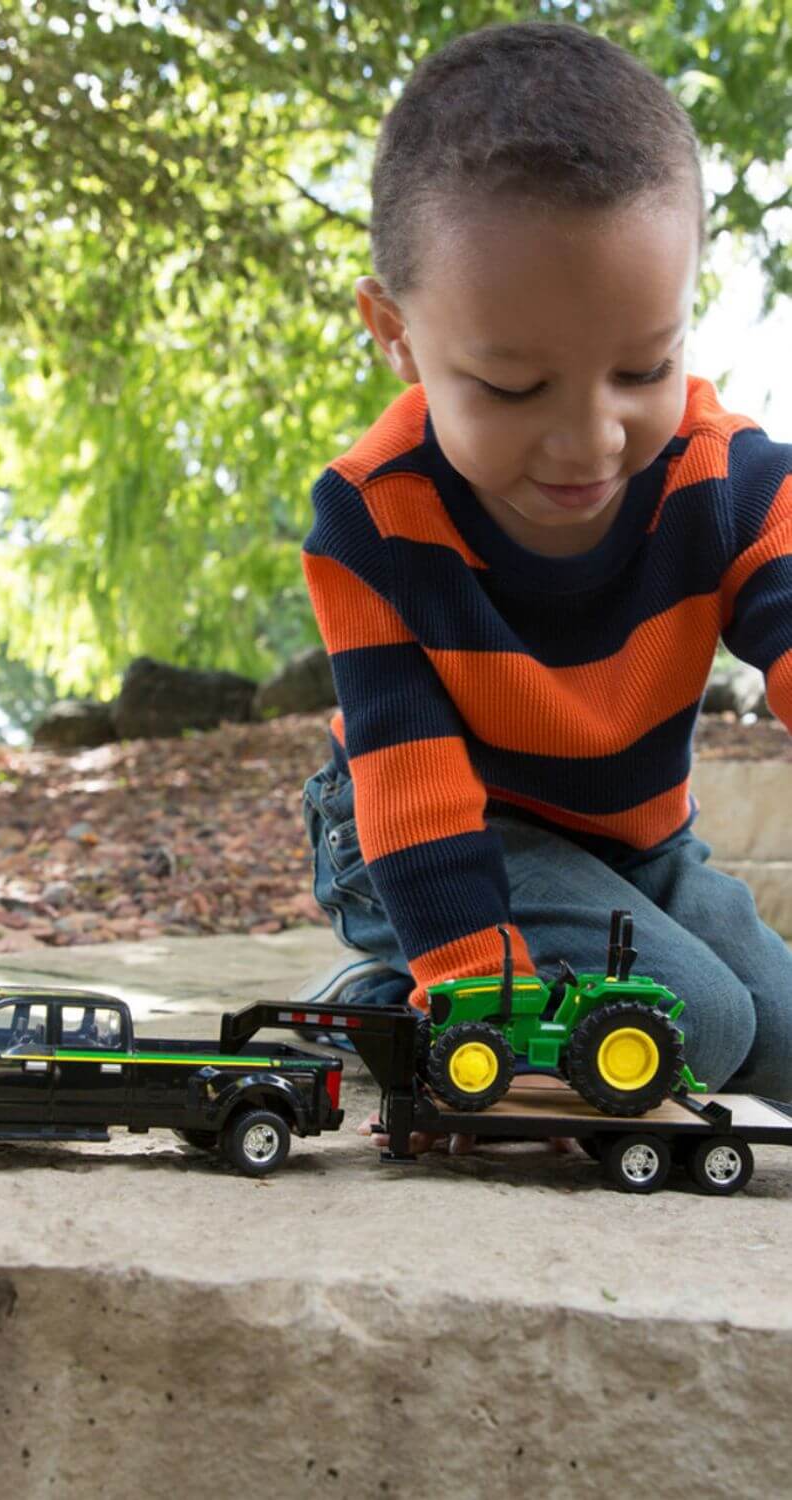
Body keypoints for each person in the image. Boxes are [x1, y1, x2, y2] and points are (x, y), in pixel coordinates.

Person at [297, 19, 792, 1130]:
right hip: (415, 834)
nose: (589, 441)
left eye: (643, 368)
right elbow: (415, 790)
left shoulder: (732, 483)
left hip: (630, 840)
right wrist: (479, 1009)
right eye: (514, 389)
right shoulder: (375, 523)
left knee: (783, 1032)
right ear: (396, 332)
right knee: (697, 1028)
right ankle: (381, 1007)